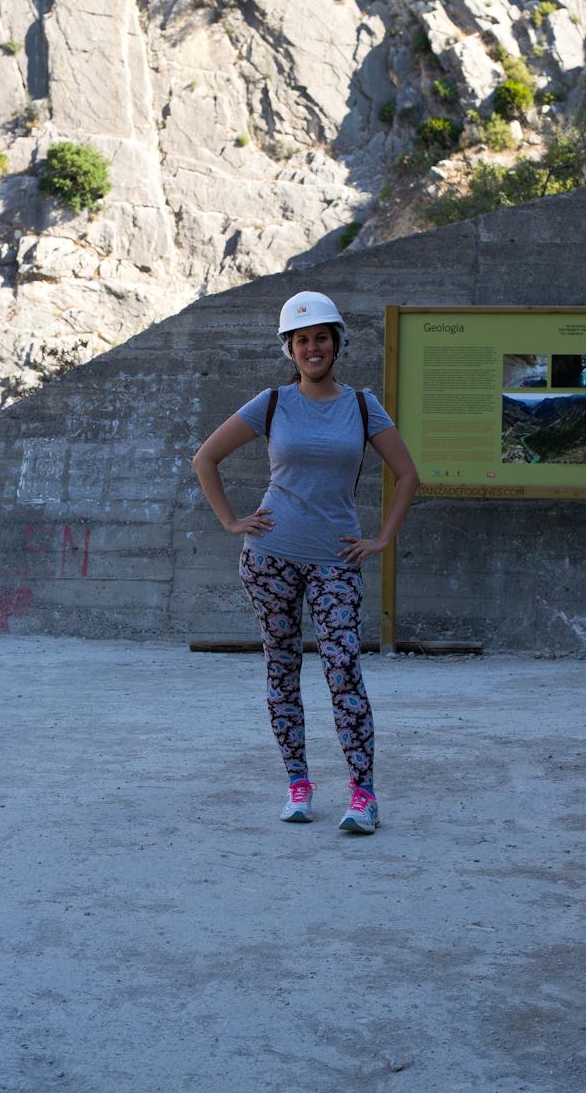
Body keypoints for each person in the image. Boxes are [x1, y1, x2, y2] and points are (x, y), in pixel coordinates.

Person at [192, 291, 419, 833]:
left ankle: (363, 794)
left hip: (335, 561)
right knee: (282, 668)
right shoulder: (272, 402)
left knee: (343, 670)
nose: (312, 348)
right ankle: (298, 784)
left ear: (337, 344)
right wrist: (232, 522)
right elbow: (206, 458)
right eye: (301, 340)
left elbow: (408, 475)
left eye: (321, 338)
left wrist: (381, 538)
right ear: (289, 349)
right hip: (270, 559)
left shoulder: (361, 405)